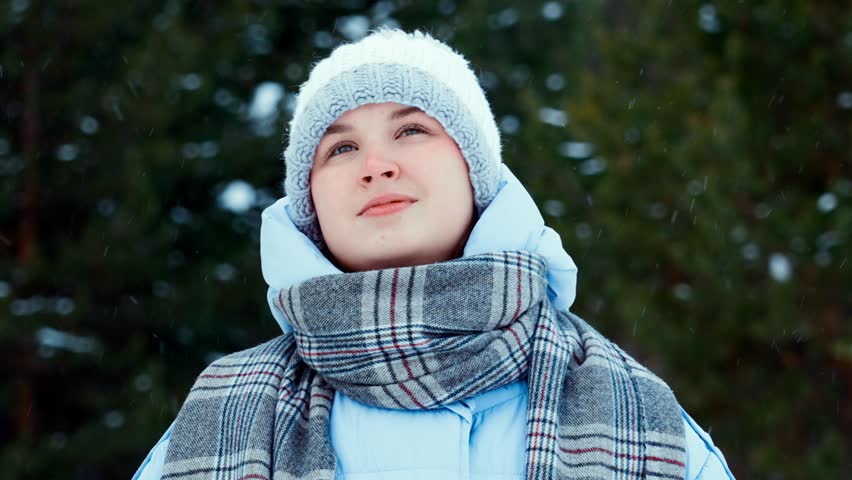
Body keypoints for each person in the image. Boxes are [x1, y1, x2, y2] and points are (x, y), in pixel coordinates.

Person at [132, 29, 734, 480]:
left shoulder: (646, 421)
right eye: (339, 148)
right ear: (309, 203)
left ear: (476, 172)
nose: (377, 166)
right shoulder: (216, 420)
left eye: (411, 130)